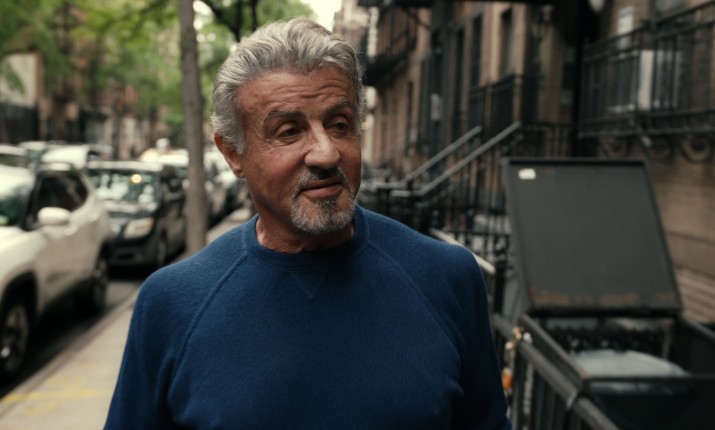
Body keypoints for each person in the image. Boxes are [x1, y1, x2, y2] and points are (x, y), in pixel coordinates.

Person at [104, 18, 511, 430]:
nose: (326, 153)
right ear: (233, 154)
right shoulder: (172, 304)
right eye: (289, 131)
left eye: (340, 124)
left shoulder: (448, 279)